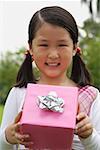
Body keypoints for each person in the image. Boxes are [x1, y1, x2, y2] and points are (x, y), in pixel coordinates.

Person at [0, 6, 100, 150]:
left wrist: (89, 136)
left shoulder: (90, 96)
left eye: (62, 45)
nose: (53, 54)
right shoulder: (19, 93)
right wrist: (8, 137)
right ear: (31, 48)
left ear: (74, 48)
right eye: (44, 45)